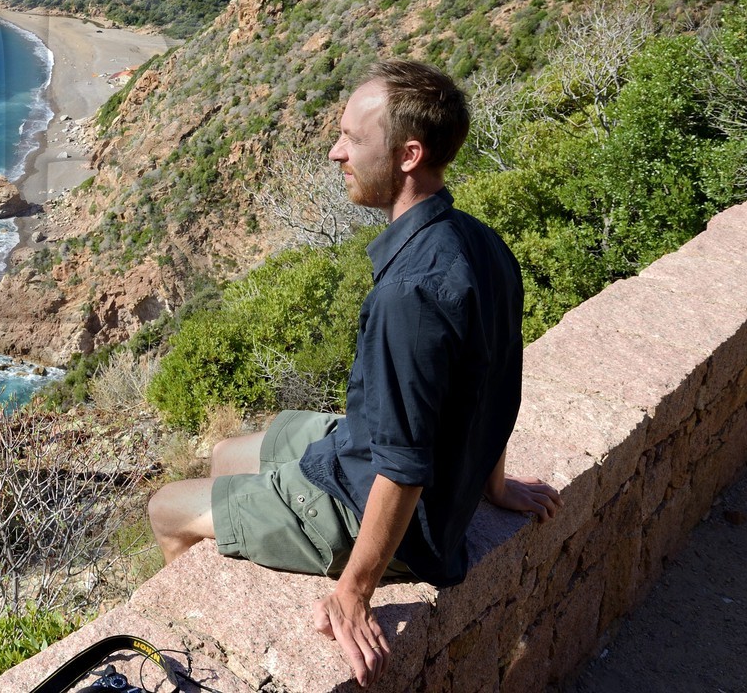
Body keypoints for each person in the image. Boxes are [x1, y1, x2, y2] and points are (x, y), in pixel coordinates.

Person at [147, 59, 560, 688]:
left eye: (353, 140)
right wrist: (493, 486)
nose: (337, 152)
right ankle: (247, 515)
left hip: (378, 508)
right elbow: (491, 384)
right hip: (360, 448)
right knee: (227, 453)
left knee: (165, 508)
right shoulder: (480, 243)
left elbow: (403, 463)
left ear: (407, 155)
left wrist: (355, 591)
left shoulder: (411, 294)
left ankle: (191, 651)